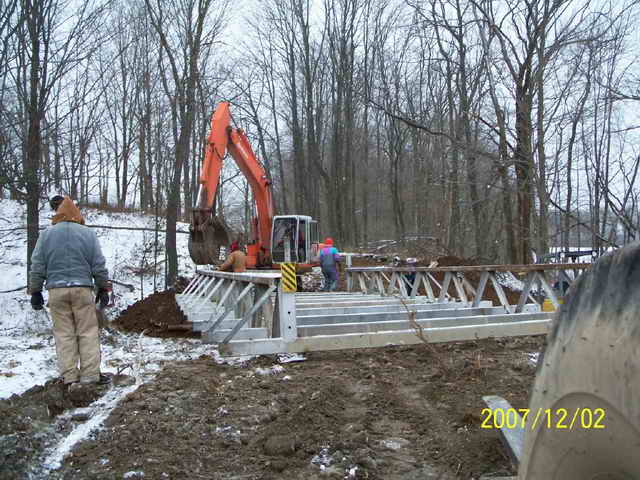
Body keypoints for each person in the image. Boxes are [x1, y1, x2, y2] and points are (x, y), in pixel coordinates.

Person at [29, 195, 111, 388]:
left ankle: (69, 377)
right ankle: (90, 377)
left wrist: (35, 290)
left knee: (63, 334)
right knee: (88, 332)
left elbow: (37, 264)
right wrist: (102, 287)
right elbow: (98, 264)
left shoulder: (46, 234)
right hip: (82, 289)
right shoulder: (88, 234)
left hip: (56, 291)